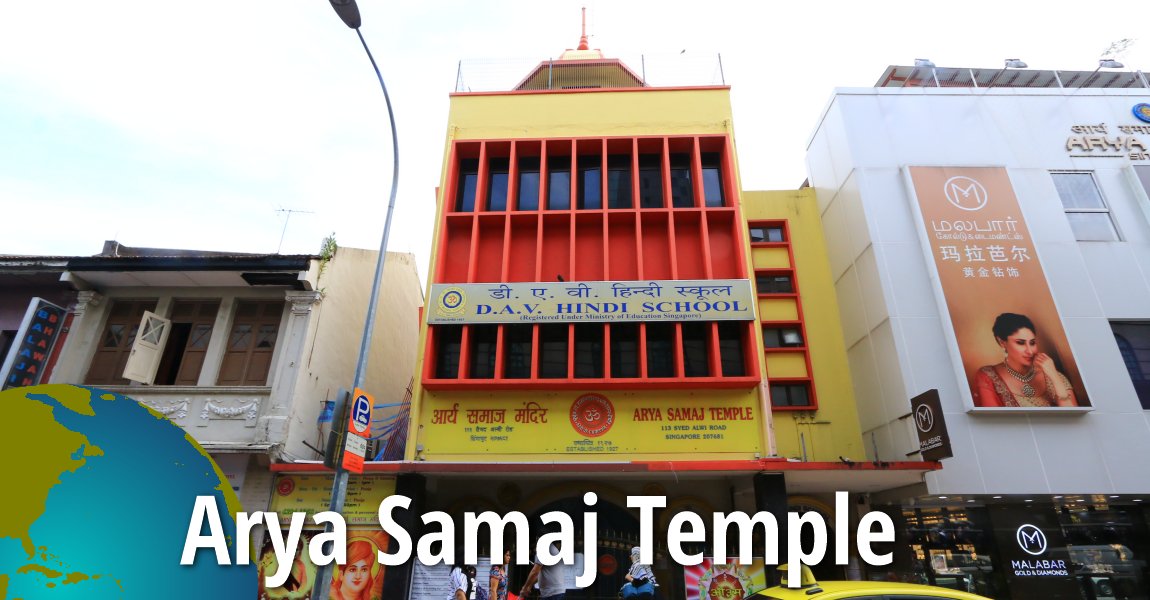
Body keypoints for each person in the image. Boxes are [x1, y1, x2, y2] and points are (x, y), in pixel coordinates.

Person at [975, 313, 1077, 407]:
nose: (1030, 351)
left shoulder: (1052, 375)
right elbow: (993, 421)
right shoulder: (988, 376)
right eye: (1020, 343)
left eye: (1032, 343)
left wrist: (1054, 377)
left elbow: (1073, 419)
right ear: (1002, 342)